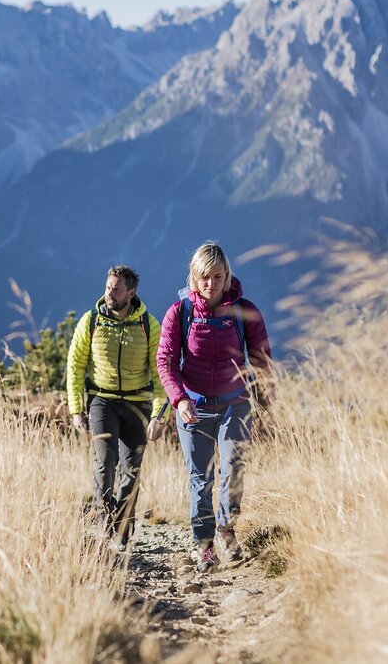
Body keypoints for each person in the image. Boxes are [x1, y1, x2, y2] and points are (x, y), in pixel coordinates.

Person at [148, 242, 273, 573]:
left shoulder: (245, 311)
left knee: (233, 470)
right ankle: (204, 545)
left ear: (227, 275)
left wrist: (267, 399)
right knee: (200, 477)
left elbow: (261, 360)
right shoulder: (180, 312)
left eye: (217, 277)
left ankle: (227, 530)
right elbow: (166, 361)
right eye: (204, 277)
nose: (210, 284)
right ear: (193, 276)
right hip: (193, 406)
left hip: (235, 404)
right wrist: (179, 398)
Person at [66, 265, 166, 551]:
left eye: (116, 289)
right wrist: (76, 409)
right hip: (102, 401)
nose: (109, 293)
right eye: (108, 287)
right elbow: (75, 366)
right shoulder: (91, 321)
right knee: (104, 461)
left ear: (131, 293)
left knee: (131, 471)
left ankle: (122, 530)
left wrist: (159, 415)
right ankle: (106, 516)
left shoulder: (148, 325)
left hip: (138, 404)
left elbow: (161, 373)